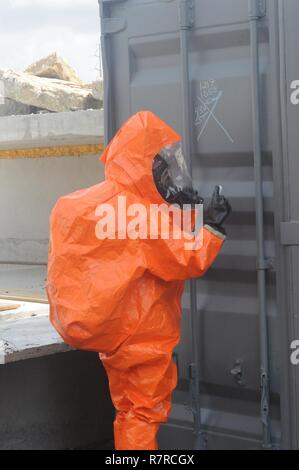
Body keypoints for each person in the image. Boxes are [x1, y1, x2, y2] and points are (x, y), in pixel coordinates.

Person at [47, 111, 231, 450]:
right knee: (143, 413)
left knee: (127, 408)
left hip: (108, 329)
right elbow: (188, 257)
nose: (169, 172)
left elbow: (132, 243)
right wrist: (214, 225)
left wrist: (185, 209)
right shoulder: (143, 215)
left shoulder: (79, 203)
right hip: (140, 334)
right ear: (147, 163)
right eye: (163, 163)